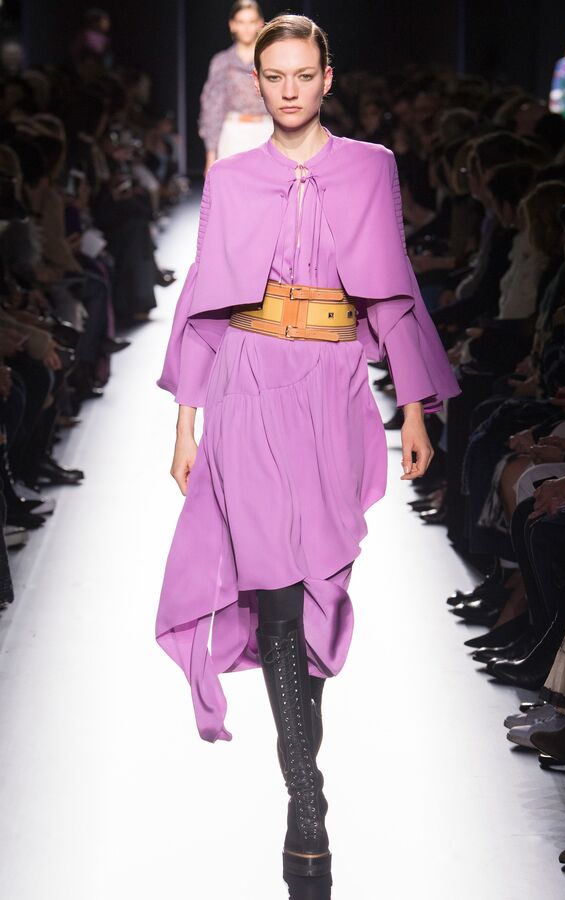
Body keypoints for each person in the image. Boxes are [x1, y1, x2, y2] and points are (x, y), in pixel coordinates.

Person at [156, 14, 460, 899]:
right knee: (280, 600)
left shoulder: (370, 167)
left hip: (331, 390)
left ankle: (300, 779)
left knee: (319, 590)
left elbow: (393, 288)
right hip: (250, 384)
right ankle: (308, 803)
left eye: (302, 74)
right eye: (274, 76)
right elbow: (207, 299)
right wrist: (186, 423)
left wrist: (414, 408)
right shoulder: (232, 179)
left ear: (327, 78)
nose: (288, 90)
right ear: (258, 83)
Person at [198, 0, 273, 176]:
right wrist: (210, 155)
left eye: (251, 21)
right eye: (241, 22)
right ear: (232, 25)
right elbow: (213, 108)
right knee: (232, 189)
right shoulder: (222, 62)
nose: (246, 28)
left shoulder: (271, 60)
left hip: (267, 131)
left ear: (260, 24)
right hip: (233, 133)